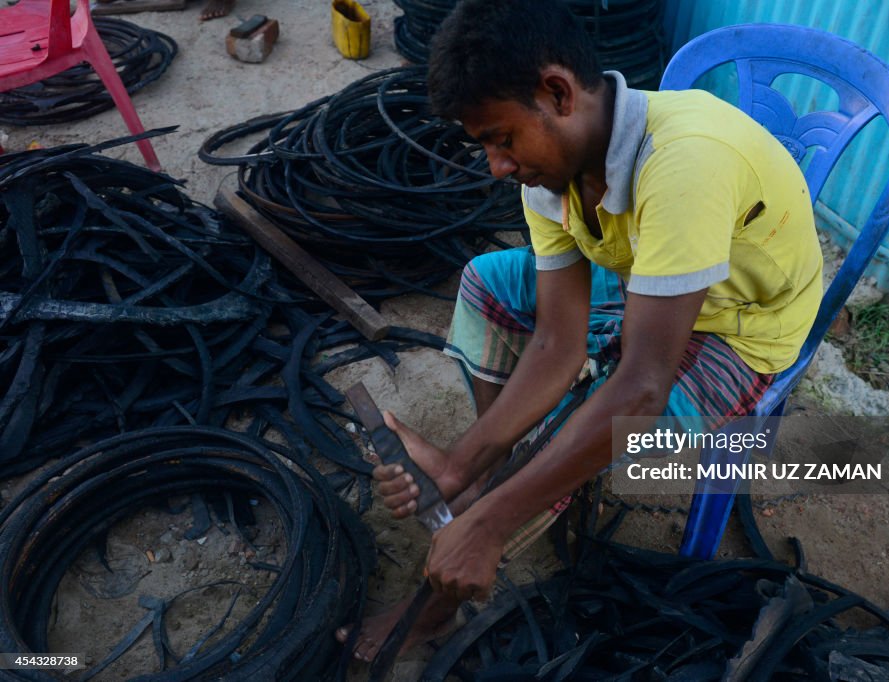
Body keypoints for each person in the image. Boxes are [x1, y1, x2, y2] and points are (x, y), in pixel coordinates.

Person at [336, 0, 824, 662]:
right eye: (485, 143)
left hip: (739, 326)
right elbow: (556, 343)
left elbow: (642, 390)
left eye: (501, 139)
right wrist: (459, 465)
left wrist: (492, 520)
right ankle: (491, 477)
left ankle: (444, 597)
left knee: (588, 423)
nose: (496, 167)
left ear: (558, 93)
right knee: (488, 284)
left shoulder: (684, 166)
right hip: (648, 281)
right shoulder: (556, 168)